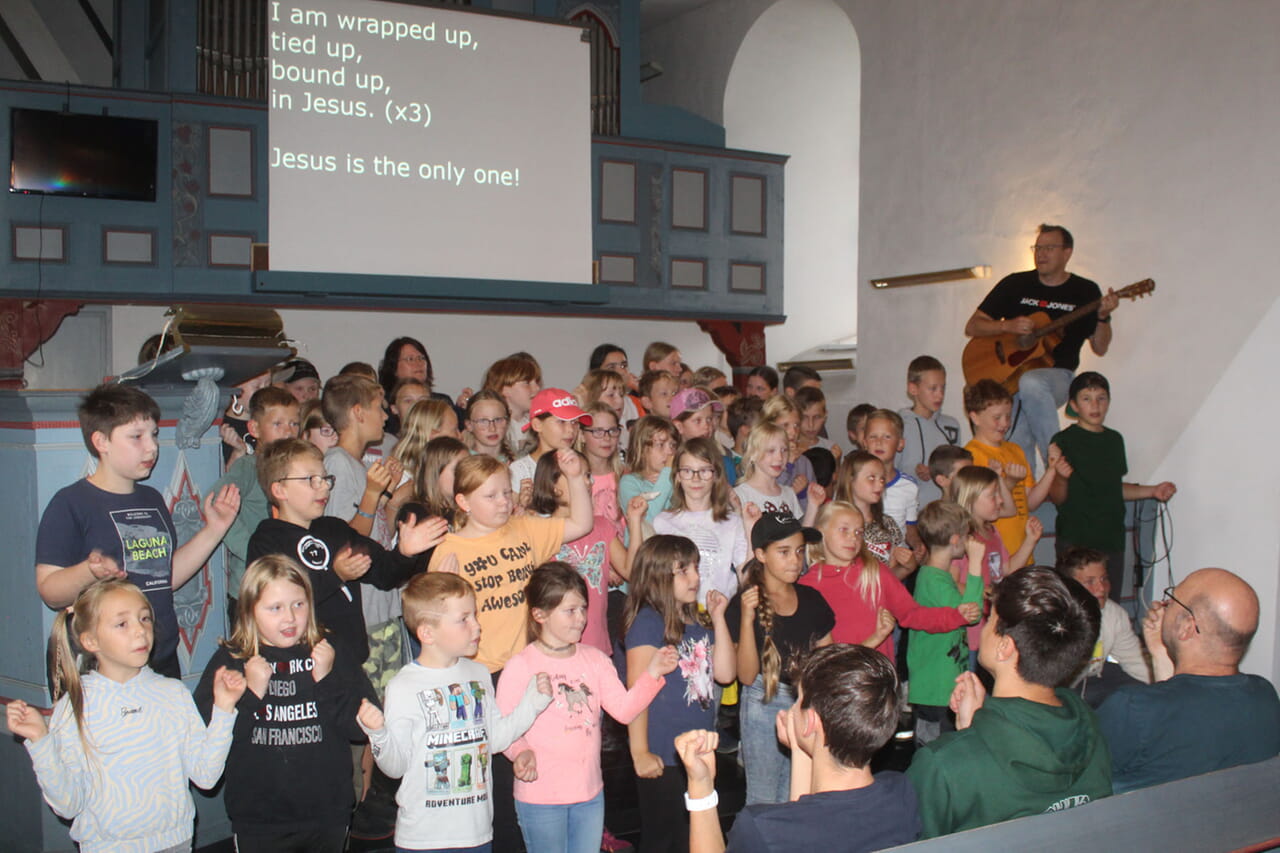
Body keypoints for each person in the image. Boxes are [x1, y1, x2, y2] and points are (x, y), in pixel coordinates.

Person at [7, 578, 243, 853]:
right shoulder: (76, 706)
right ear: (91, 640)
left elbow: (206, 775)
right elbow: (68, 803)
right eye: (122, 623)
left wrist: (224, 709)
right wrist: (40, 740)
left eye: (144, 619)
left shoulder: (173, 694)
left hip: (174, 843)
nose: (141, 631)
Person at [35, 383, 241, 678]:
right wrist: (89, 572)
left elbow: (163, 577)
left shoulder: (152, 499)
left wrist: (215, 529)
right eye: (136, 437)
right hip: (101, 666)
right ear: (101, 441)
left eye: (154, 434)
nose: (152, 447)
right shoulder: (70, 503)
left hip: (158, 654)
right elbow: (49, 590)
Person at [358, 572, 554, 853]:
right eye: (464, 619)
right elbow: (395, 766)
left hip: (476, 834)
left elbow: (495, 740)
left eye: (474, 615)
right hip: (423, 839)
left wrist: (532, 703)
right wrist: (378, 734)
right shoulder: (403, 685)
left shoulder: (479, 673)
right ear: (427, 633)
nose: (477, 627)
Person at [906, 567, 1110, 837]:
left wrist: (967, 742)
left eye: (990, 618)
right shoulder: (1089, 727)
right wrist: (974, 731)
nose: (985, 625)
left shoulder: (940, 765)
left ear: (1006, 647)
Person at [498, 563, 678, 853]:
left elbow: (624, 710)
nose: (581, 618)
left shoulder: (594, 660)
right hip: (541, 798)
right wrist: (520, 752)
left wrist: (653, 672)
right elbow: (504, 728)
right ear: (539, 614)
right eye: (570, 611)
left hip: (589, 794)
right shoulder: (521, 666)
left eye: (583, 608)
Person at [194, 555, 368, 852]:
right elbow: (207, 740)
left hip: (327, 813)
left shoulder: (330, 650)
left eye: (298, 605)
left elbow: (361, 729)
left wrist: (325, 680)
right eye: (275, 608)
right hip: (259, 818)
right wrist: (251, 694)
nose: (289, 618)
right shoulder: (232, 660)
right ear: (250, 611)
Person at [675, 645, 921, 853]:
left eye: (799, 700)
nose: (793, 708)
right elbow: (806, 817)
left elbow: (799, 825)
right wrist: (802, 746)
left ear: (811, 722)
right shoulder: (901, 794)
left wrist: (701, 787)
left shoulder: (762, 828)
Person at [247, 438, 444, 667]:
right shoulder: (267, 540)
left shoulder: (335, 529)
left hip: (350, 661)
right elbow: (277, 602)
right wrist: (335, 576)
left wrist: (405, 553)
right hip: (301, 665)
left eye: (326, 479)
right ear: (280, 489)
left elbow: (385, 574)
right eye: (312, 480)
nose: (324, 487)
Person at [1096, 568, 1280, 792]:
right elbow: (1181, 712)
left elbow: (1075, 785)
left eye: (1172, 600)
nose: (1164, 606)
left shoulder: (1133, 707)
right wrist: (1161, 656)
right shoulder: (1265, 696)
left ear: (1187, 627)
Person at [964, 224, 1120, 471]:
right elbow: (973, 326)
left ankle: (1055, 459)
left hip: (1058, 375)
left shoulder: (1085, 291)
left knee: (1032, 383)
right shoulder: (1015, 284)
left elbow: (1100, 347)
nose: (1041, 253)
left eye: (1049, 248)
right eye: (1038, 247)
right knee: (1016, 442)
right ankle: (1026, 496)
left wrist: (1103, 317)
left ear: (1067, 253)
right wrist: (1008, 326)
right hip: (1012, 376)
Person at [623, 535, 734, 853]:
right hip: (664, 754)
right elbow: (636, 695)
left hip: (698, 751)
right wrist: (639, 752)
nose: (696, 578)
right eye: (683, 571)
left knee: (695, 834)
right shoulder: (647, 623)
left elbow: (725, 674)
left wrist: (719, 619)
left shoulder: (697, 620)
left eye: (696, 568)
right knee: (664, 839)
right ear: (658, 576)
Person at [726, 513, 834, 805]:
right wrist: (747, 621)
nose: (795, 560)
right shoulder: (744, 603)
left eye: (799, 551)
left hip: (808, 700)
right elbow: (746, 677)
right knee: (763, 798)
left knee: (799, 794)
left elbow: (827, 659)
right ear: (760, 554)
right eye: (784, 552)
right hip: (764, 701)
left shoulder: (812, 599)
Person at [1052, 371, 1176, 597]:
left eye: (1101, 398)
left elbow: (1113, 488)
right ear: (1074, 405)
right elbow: (1057, 497)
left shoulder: (1114, 440)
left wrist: (1153, 490)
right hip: (1076, 540)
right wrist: (1060, 476)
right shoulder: (1063, 441)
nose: (1095, 405)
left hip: (1110, 539)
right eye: (1086, 399)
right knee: (1074, 609)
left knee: (1110, 607)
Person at [805, 501, 977, 662]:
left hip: (880, 677)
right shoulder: (809, 585)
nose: (853, 538)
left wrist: (955, 616)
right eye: (844, 530)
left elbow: (912, 614)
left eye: (858, 532)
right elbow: (817, 655)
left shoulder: (874, 571)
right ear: (821, 532)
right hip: (835, 682)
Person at [529, 450, 645, 656]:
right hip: (555, 649)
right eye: (579, 475)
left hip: (597, 647)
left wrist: (634, 522)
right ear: (554, 487)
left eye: (588, 475)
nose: (589, 482)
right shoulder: (541, 532)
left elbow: (631, 571)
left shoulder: (601, 525)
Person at [212, 385, 300, 623]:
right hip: (251, 587)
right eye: (278, 424)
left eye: (294, 424)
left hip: (287, 584)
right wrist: (251, 548)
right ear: (255, 428)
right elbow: (213, 500)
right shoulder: (249, 467)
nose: (288, 431)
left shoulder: (296, 469)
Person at [963, 379, 1067, 566]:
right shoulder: (971, 457)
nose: (1004, 423)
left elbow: (1029, 503)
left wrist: (1052, 469)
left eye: (1008, 416)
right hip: (991, 559)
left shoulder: (1015, 451)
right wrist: (1008, 482)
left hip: (1023, 553)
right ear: (975, 417)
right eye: (997, 417)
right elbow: (981, 512)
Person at [906, 501, 986, 744]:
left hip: (942, 686)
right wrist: (975, 565)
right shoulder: (933, 580)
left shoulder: (937, 576)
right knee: (937, 750)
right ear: (954, 540)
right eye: (966, 536)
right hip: (936, 689)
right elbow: (972, 614)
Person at [654, 437, 751, 605]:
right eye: (687, 471)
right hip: (679, 615)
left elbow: (746, 574)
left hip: (720, 615)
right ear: (677, 476)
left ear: (716, 476)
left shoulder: (733, 522)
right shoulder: (662, 522)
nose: (696, 478)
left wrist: (749, 526)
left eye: (704, 471)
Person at [1057, 547, 1149, 707]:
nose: (1101, 588)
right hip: (1056, 690)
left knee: (1137, 692)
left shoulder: (1114, 614)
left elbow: (1135, 661)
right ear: (1069, 587)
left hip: (1089, 680)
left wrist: (1165, 690)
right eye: (1090, 581)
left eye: (1104, 579)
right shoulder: (1055, 619)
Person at [898, 356, 961, 506]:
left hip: (945, 511)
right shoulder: (898, 425)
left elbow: (960, 470)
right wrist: (914, 472)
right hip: (910, 513)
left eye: (943, 388)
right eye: (933, 388)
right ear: (913, 389)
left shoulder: (951, 425)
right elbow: (887, 470)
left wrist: (934, 472)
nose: (940, 395)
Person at [509, 388, 593, 497]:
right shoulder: (519, 471)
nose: (571, 430)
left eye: (574, 422)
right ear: (537, 425)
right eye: (561, 421)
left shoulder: (579, 466)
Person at [861, 409, 922, 554]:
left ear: (900, 444)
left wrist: (918, 545)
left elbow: (910, 528)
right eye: (873, 437)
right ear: (864, 443)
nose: (879, 442)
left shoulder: (909, 487)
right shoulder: (853, 483)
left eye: (887, 437)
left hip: (896, 564)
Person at [619, 415, 680, 523]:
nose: (670, 452)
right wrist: (666, 475)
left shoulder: (677, 479)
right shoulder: (629, 483)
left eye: (673, 445)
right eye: (660, 445)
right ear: (641, 450)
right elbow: (649, 520)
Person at [482, 355, 543, 454]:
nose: (537, 388)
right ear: (504, 389)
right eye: (527, 383)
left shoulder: (539, 424)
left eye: (537, 382)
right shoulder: (492, 428)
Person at [463, 389, 515, 462]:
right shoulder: (463, 463)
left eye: (498, 419)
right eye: (483, 421)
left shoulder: (515, 464)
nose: (492, 428)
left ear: (507, 421)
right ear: (469, 425)